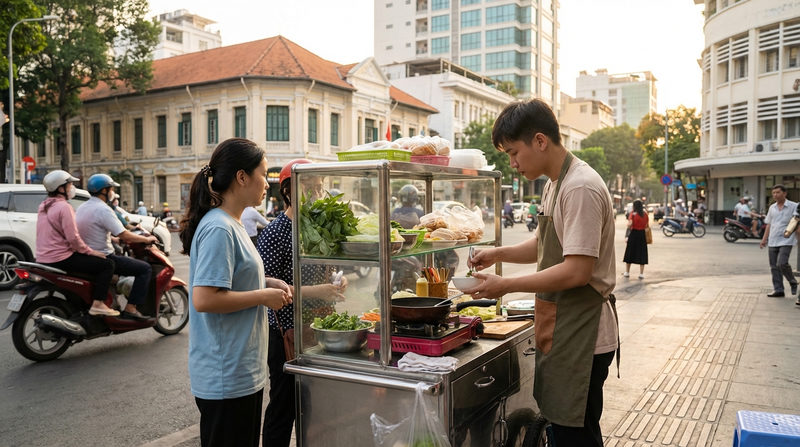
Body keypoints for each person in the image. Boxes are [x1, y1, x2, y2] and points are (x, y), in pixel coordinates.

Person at [462, 99, 618, 446]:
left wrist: (506, 286)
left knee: (576, 436)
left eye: (514, 152)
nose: (513, 163)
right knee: (565, 430)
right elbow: (543, 244)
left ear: (540, 141)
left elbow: (578, 270)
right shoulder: (554, 184)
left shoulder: (579, 186)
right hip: (564, 325)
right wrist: (497, 253)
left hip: (584, 333)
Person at [179, 138, 292, 447]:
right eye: (264, 174)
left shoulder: (234, 222)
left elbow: (233, 281)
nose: (267, 184)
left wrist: (268, 284)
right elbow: (205, 298)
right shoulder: (219, 227)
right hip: (225, 376)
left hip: (241, 371)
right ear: (242, 177)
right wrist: (263, 297)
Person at [255, 158, 348, 447]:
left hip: (319, 327)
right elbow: (267, 286)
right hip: (285, 333)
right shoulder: (275, 232)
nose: (318, 195)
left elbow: (327, 268)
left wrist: (336, 280)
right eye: (311, 188)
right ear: (288, 192)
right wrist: (319, 290)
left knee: (316, 404)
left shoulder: (317, 228)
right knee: (284, 405)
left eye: (320, 188)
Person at [76, 174, 158, 320]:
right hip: (103, 256)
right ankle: (131, 308)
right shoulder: (104, 209)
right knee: (144, 269)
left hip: (86, 256)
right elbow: (124, 235)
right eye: (111, 189)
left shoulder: (82, 207)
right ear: (104, 191)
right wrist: (146, 239)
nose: (112, 192)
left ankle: (113, 301)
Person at [36, 170, 118, 316]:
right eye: (70, 185)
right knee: (107, 264)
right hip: (60, 258)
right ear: (61, 188)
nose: (72, 187)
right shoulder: (64, 207)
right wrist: (90, 251)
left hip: (43, 258)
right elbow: (73, 238)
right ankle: (98, 303)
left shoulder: (44, 205)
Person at [760, 184, 798, 298]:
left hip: (787, 239)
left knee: (781, 263)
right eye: (773, 193)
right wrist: (764, 239)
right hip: (773, 239)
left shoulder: (794, 206)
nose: (775, 195)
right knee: (774, 266)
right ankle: (779, 289)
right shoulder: (772, 208)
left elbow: (797, 222)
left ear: (784, 193)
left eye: (778, 192)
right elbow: (769, 225)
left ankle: (792, 281)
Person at [623, 200, 649, 279]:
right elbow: (647, 225)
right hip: (642, 235)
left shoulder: (633, 214)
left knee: (630, 252)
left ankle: (627, 272)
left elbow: (629, 224)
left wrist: (628, 224)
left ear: (634, 206)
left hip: (634, 234)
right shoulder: (645, 214)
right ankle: (641, 273)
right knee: (642, 253)